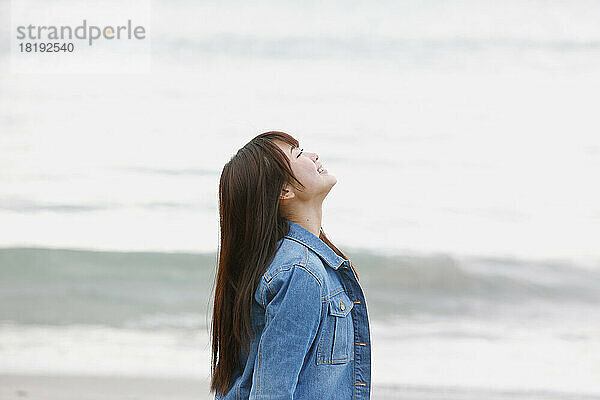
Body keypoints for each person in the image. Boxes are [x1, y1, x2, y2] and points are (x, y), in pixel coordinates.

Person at [210, 131, 371, 399]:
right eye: (298, 154)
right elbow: (271, 394)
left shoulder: (288, 261)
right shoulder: (301, 271)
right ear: (284, 190)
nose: (313, 156)